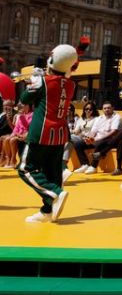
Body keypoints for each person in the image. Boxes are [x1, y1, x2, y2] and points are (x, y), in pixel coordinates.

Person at [17, 37, 89, 223]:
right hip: (59, 134)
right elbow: (61, 77)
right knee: (52, 172)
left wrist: (34, 80)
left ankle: (54, 193)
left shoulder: (42, 82)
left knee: (25, 169)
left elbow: (24, 99)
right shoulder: (71, 85)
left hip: (41, 132)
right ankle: (47, 210)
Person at [79, 101, 122, 175]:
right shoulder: (99, 118)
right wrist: (89, 138)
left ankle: (93, 166)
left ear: (113, 108)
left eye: (109, 108)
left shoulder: (117, 117)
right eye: (105, 108)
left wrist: (96, 139)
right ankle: (85, 164)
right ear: (102, 109)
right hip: (96, 139)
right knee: (78, 144)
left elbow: (113, 132)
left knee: (100, 143)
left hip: (110, 139)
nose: (107, 109)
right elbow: (93, 131)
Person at [3, 103, 31, 168]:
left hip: (25, 135)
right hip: (18, 134)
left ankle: (13, 159)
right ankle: (9, 160)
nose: (20, 108)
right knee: (7, 139)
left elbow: (27, 127)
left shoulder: (31, 115)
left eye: (22, 106)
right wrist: (13, 134)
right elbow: (16, 128)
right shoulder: (22, 115)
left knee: (12, 140)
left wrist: (18, 135)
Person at [0, 99, 17, 167]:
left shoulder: (15, 114)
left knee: (4, 138)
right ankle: (3, 158)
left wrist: (9, 119)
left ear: (12, 106)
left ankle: (6, 158)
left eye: (8, 105)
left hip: (10, 133)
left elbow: (14, 128)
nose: (6, 107)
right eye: (4, 105)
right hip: (3, 133)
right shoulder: (2, 114)